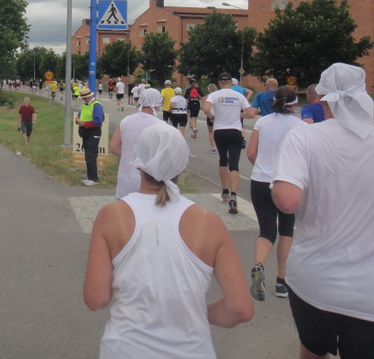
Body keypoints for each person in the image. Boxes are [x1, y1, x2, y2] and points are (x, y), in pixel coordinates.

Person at [273, 63, 374, 359]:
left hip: (314, 282)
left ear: (320, 99)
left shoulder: (304, 138)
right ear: (364, 97)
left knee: (312, 351)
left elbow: (287, 201)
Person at [84, 125, 253, 358]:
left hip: (124, 349)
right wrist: (196, 311)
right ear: (182, 166)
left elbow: (96, 299)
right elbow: (240, 309)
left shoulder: (111, 216)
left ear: (138, 161)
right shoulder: (209, 223)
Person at [245, 86, 305, 302]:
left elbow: (251, 153)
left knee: (266, 231)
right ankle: (281, 281)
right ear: (295, 103)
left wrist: (261, 167)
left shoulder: (263, 122)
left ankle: (259, 264)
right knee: (286, 230)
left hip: (260, 180)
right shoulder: (300, 127)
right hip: (287, 182)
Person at [202, 72, 256, 215]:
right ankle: (233, 194)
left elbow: (205, 108)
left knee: (223, 160)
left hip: (220, 130)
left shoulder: (215, 95)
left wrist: (212, 117)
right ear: (231, 83)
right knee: (234, 164)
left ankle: (225, 190)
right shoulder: (239, 96)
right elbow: (251, 114)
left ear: (219, 83)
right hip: (235, 130)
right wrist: (239, 115)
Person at [109, 88, 164, 199]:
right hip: (149, 182)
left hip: (125, 178)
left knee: (125, 213)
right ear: (157, 104)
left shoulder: (126, 121)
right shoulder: (161, 126)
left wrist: (128, 157)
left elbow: (114, 147)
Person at [76, 86, 105, 186]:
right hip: (86, 132)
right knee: (88, 155)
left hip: (93, 132)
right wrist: (78, 120)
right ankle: (90, 177)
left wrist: (84, 123)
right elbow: (80, 115)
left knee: (91, 155)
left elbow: (98, 121)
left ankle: (94, 178)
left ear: (88, 97)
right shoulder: (86, 105)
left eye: (84, 98)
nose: (83, 99)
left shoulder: (96, 105)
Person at [204, 83, 218, 154]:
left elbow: (205, 107)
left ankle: (213, 147)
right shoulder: (219, 95)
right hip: (219, 116)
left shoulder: (208, 97)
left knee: (210, 132)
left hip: (211, 115)